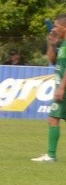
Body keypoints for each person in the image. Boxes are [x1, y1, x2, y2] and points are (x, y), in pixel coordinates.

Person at [34, 15, 66, 162]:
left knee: (53, 118)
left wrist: (61, 88)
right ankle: (51, 155)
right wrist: (52, 45)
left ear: (64, 27)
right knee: (53, 118)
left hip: (63, 88)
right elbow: (52, 61)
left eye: (56, 26)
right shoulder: (62, 44)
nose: (53, 29)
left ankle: (51, 155)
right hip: (62, 87)